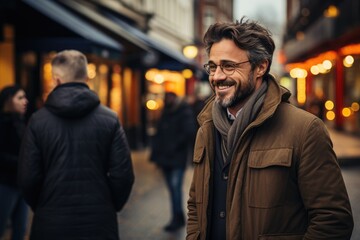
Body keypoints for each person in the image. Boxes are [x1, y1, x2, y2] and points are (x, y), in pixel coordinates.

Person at [186, 18, 354, 240]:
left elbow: (333, 221)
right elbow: (196, 206)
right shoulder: (206, 130)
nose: (217, 76)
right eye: (213, 66)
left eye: (229, 66)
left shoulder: (305, 130)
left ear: (261, 67)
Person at [18, 49, 135, 240]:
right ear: (87, 77)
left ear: (56, 80)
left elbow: (28, 178)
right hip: (99, 222)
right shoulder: (110, 119)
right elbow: (123, 175)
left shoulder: (37, 121)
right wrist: (110, 204)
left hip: (51, 222)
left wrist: (43, 204)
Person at [150, 91, 196, 232]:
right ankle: (178, 217)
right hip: (165, 158)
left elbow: (189, 132)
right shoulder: (165, 111)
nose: (167, 99)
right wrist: (156, 155)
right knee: (172, 189)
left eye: (169, 97)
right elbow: (159, 134)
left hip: (177, 158)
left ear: (175, 98)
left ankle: (177, 219)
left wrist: (174, 145)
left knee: (175, 188)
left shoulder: (184, 111)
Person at [0, 85, 29, 240]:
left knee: (20, 228)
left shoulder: (21, 122)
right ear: (8, 101)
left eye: (25, 97)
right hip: (5, 184)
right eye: (20, 98)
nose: (25, 101)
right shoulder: (3, 124)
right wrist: (22, 162)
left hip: (20, 184)